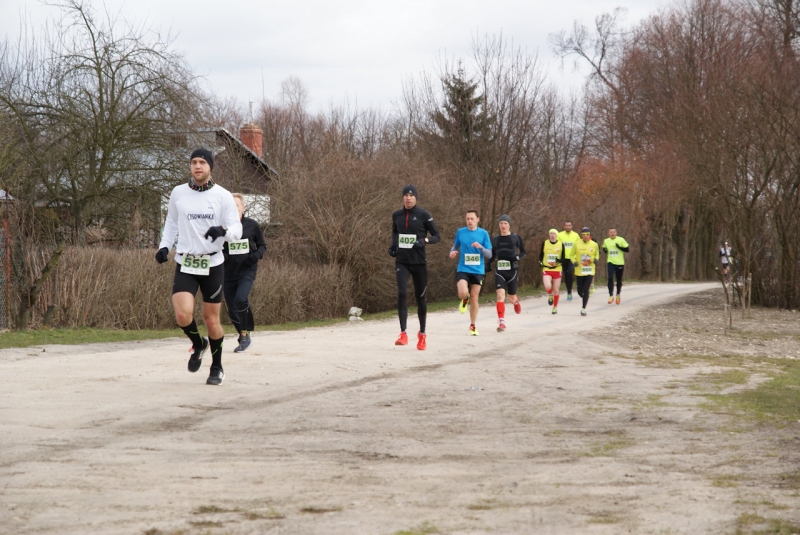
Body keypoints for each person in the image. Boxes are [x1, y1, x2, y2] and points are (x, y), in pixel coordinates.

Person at [156, 148, 242, 386]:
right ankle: (199, 343)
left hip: (213, 264)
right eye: (194, 162)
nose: (197, 166)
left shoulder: (223, 196)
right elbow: (171, 222)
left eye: (202, 162)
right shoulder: (178, 193)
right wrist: (164, 247)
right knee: (183, 314)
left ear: (210, 166)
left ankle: (217, 366)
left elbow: (237, 229)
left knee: (211, 319)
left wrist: (223, 232)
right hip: (186, 261)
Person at [389, 185, 441, 350]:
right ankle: (403, 333)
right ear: (403, 197)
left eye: (411, 195)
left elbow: (437, 236)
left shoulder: (424, 215)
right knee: (402, 293)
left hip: (419, 262)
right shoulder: (396, 215)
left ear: (416, 198)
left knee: (420, 298)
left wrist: (424, 241)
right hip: (402, 261)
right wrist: (393, 246)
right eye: (406, 195)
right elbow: (395, 233)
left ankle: (422, 334)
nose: (408, 198)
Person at [222, 193, 267, 353]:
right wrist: (223, 255)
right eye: (231, 206)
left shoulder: (252, 225)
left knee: (241, 298)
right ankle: (243, 336)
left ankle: (245, 332)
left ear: (243, 208)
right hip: (228, 272)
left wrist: (255, 255)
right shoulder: (223, 228)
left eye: (237, 205)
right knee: (232, 309)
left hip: (247, 270)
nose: (234, 209)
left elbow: (262, 245)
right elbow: (218, 247)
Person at [449, 210, 492, 335]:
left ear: (478, 219)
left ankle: (473, 326)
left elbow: (489, 254)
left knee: (474, 298)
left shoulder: (484, 234)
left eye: (472, 219)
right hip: (463, 268)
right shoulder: (460, 232)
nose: (469, 221)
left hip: (478, 270)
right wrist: (452, 252)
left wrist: (481, 247)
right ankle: (464, 298)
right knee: (463, 292)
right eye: (467, 219)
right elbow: (455, 246)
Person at [489, 214, 526, 332]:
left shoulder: (515, 237)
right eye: (501, 223)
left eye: (505, 223)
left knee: (510, 298)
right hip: (500, 270)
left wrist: (517, 258)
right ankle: (501, 322)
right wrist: (488, 264)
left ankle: (515, 301)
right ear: (499, 225)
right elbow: (493, 254)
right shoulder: (495, 239)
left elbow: (523, 252)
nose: (503, 225)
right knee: (500, 295)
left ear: (509, 225)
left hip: (512, 270)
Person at [571, 227, 600, 316]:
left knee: (586, 289)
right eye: (584, 235)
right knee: (580, 291)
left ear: (590, 235)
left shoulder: (594, 244)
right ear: (581, 235)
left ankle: (583, 308)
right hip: (580, 270)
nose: (586, 236)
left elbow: (597, 254)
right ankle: (584, 297)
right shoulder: (576, 244)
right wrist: (574, 262)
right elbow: (571, 255)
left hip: (589, 270)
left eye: (587, 235)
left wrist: (596, 259)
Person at [539, 228, 566, 314]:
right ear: (549, 235)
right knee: (547, 286)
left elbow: (564, 258)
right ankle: (550, 294)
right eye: (551, 233)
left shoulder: (561, 244)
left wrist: (559, 260)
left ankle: (554, 307)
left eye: (554, 233)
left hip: (557, 269)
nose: (552, 235)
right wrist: (539, 262)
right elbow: (541, 254)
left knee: (556, 290)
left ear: (556, 235)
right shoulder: (545, 243)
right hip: (547, 268)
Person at [602, 227, 630, 305]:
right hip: (610, 262)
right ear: (608, 233)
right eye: (611, 232)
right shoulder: (606, 241)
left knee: (618, 280)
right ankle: (611, 295)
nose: (612, 233)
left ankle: (618, 294)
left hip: (620, 263)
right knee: (610, 278)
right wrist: (605, 250)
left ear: (616, 233)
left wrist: (619, 247)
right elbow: (604, 248)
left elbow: (627, 250)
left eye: (614, 232)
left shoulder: (621, 240)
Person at [557, 221, 581, 302]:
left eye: (569, 225)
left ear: (572, 226)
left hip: (572, 258)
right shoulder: (560, 235)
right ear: (564, 226)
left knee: (569, 273)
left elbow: (579, 246)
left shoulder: (576, 235)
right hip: (563, 258)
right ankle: (563, 291)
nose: (568, 227)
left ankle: (569, 292)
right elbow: (557, 246)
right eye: (566, 225)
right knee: (565, 274)